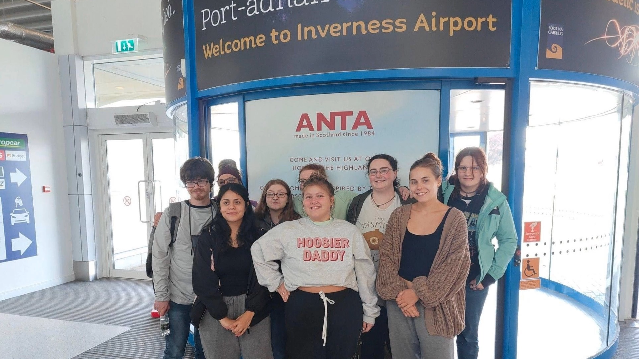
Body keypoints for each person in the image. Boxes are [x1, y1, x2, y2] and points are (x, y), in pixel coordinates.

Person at [251, 174, 380, 358]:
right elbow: (258, 250)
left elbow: (365, 272)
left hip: (344, 306)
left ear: (331, 200)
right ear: (302, 202)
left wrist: (369, 311)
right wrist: (275, 282)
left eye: (320, 196)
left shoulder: (348, 230)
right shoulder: (289, 230)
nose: (314, 201)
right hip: (302, 305)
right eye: (308, 196)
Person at [376, 153, 470, 359]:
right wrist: (404, 296)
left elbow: (454, 268)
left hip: (438, 306)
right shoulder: (399, 215)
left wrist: (417, 292)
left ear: (438, 181)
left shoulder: (455, 219)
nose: (419, 187)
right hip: (399, 302)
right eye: (414, 182)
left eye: (425, 180)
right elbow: (387, 259)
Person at [442, 147, 517, 359]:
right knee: (440, 331)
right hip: (443, 275)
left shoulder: (496, 201)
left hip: (474, 278)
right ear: (456, 170)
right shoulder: (444, 191)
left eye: (474, 167)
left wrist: (490, 276)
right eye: (463, 167)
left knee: (467, 335)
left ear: (483, 169)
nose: (468, 172)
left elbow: (509, 240)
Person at [191, 183, 273, 359]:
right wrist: (222, 317)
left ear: (246, 205)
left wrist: (251, 312)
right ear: (219, 206)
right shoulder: (208, 236)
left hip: (254, 307)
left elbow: (267, 275)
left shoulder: (260, 235)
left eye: (237, 202)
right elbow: (202, 279)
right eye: (226, 202)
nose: (232, 207)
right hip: (215, 310)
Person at [345, 154, 415, 359]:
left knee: (399, 342)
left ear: (394, 173)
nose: (378, 175)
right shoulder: (358, 203)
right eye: (373, 172)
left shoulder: (408, 201)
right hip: (364, 286)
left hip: (398, 285)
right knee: (370, 341)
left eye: (384, 170)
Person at [152, 157, 216, 359]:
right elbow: (160, 255)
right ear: (185, 184)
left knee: (205, 352)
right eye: (191, 182)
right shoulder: (173, 213)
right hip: (178, 297)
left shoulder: (221, 212)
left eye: (202, 181)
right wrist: (161, 295)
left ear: (210, 183)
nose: (196, 186)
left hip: (209, 298)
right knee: (174, 350)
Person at [254, 179, 301, 358]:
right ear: (264, 197)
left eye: (281, 194)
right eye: (271, 193)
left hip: (287, 288)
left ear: (288, 198)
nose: (276, 197)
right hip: (259, 287)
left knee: (284, 336)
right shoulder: (252, 221)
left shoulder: (297, 222)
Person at [294, 163, 410, 220]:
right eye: (303, 181)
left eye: (313, 179)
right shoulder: (295, 202)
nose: (308, 184)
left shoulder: (345, 196)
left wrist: (398, 189)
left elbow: (372, 198)